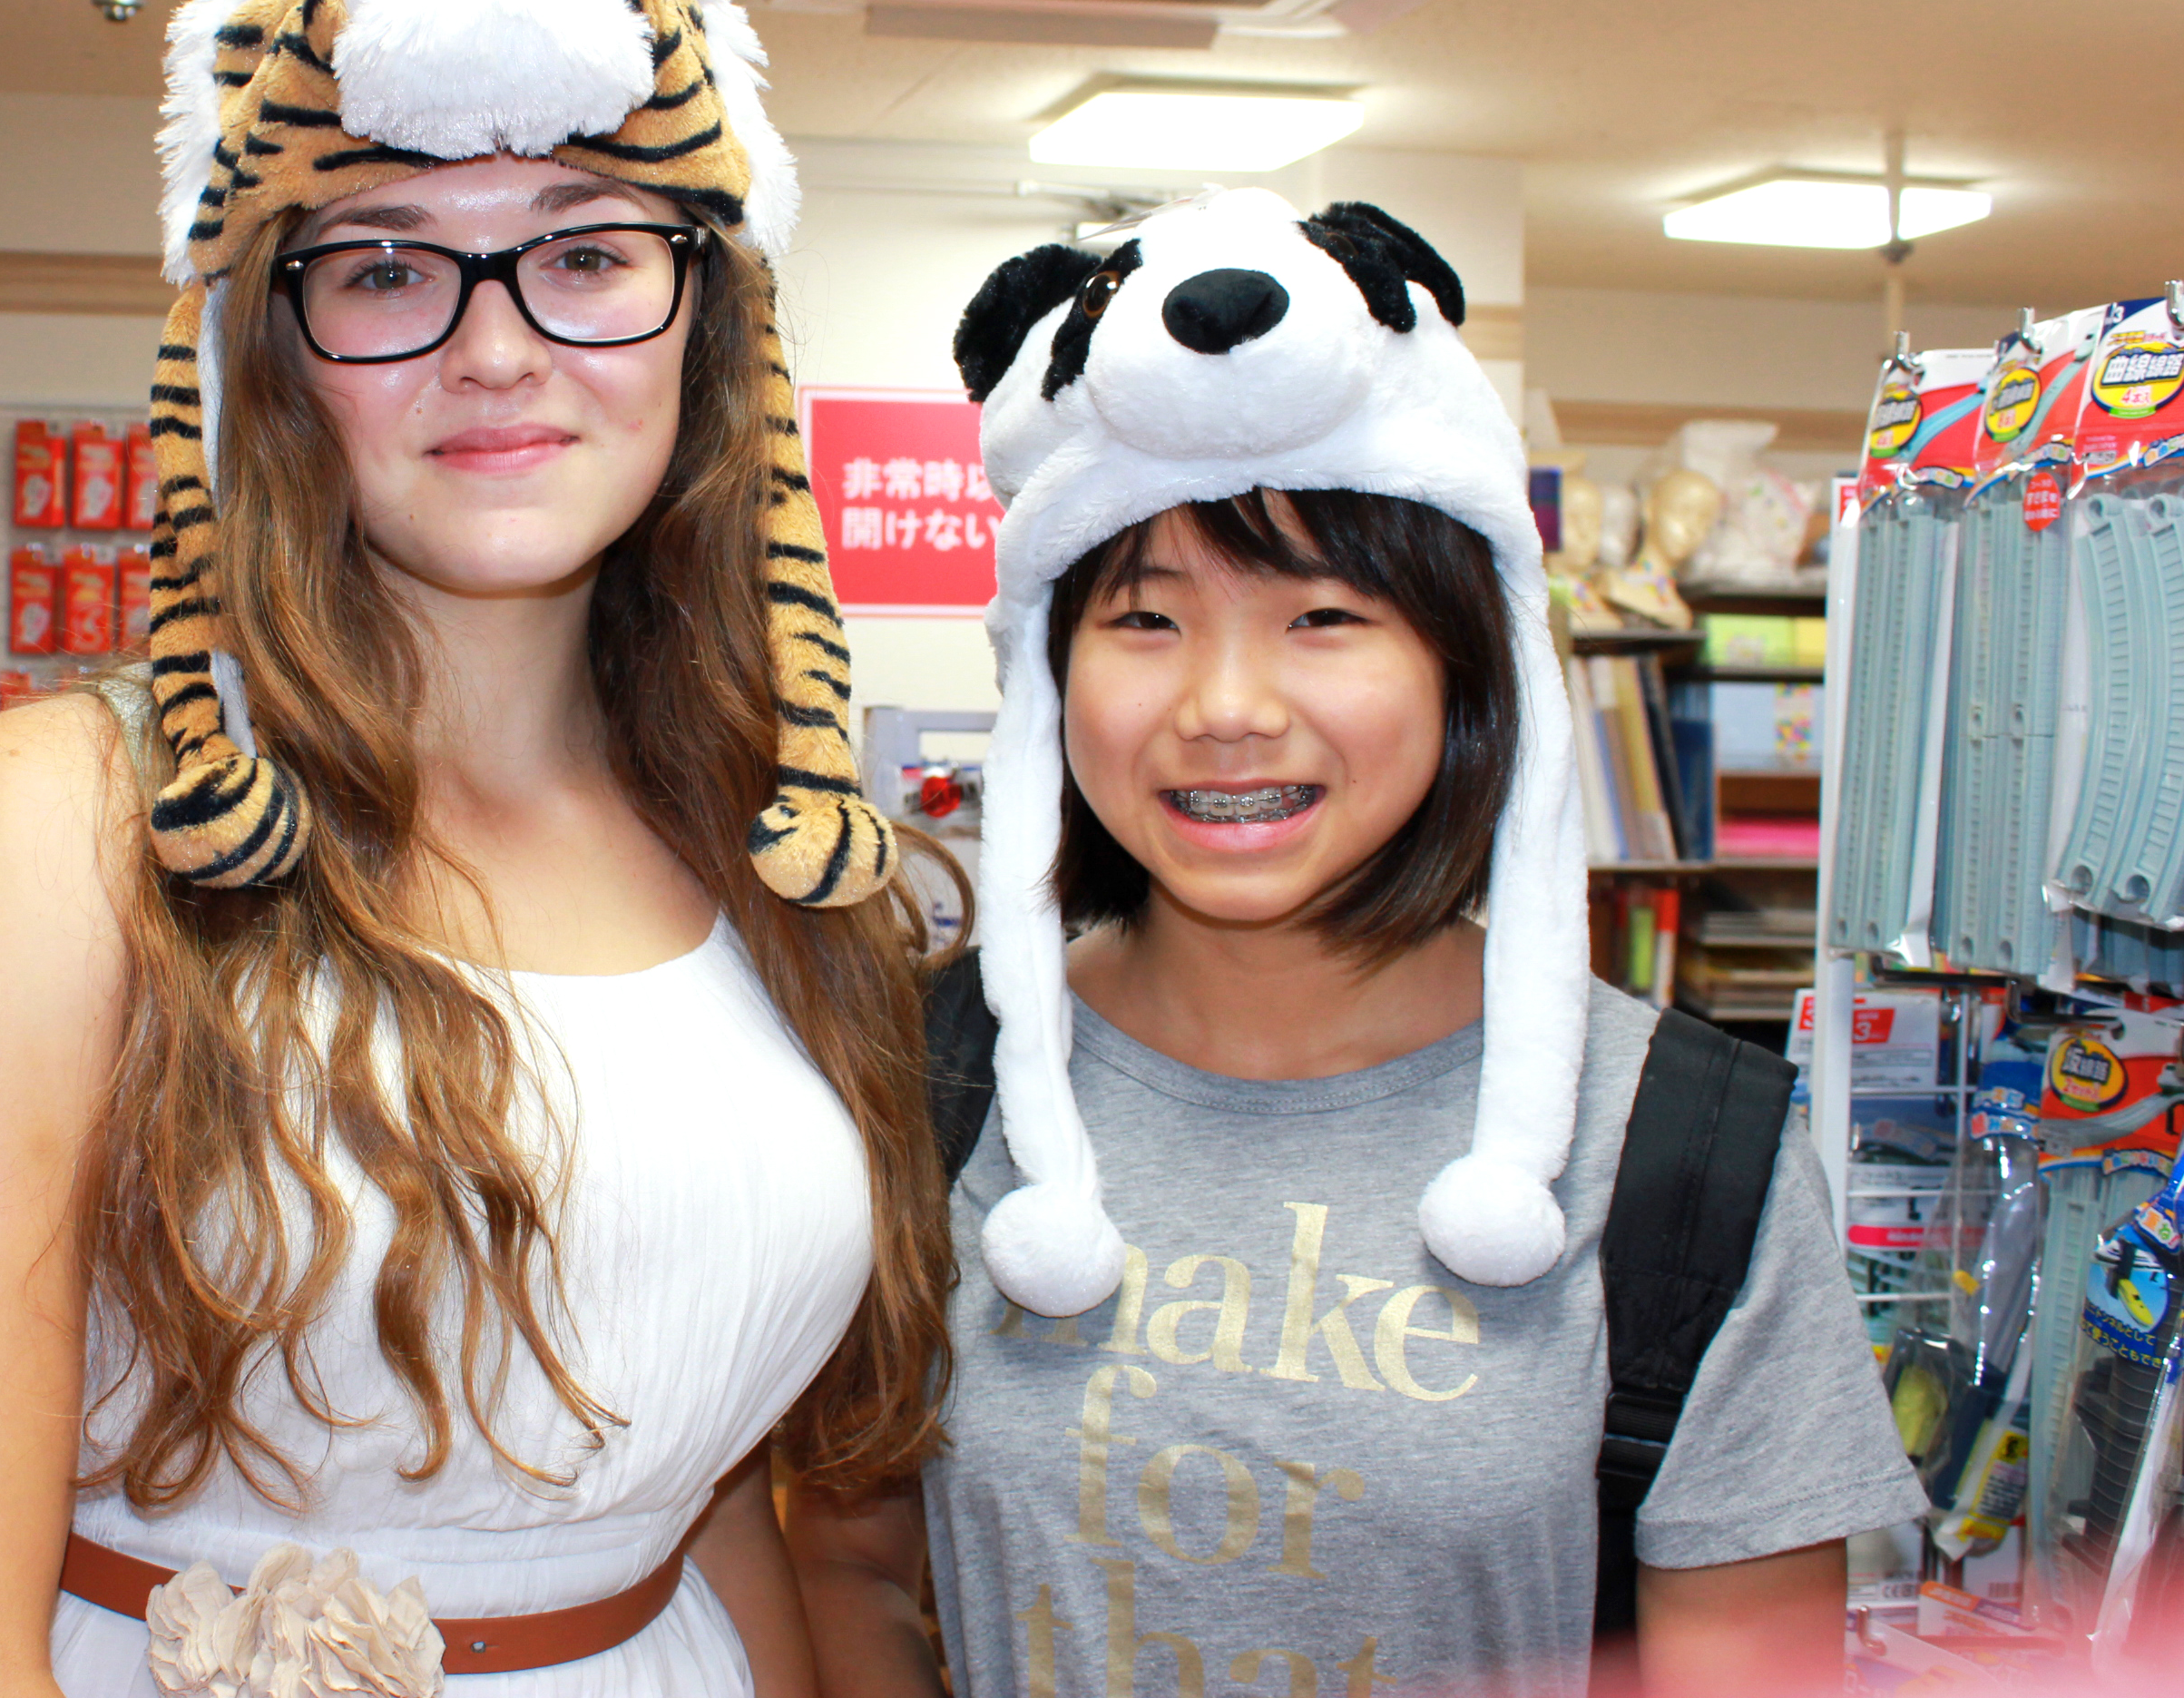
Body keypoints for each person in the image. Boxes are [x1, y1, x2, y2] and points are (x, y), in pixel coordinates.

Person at [0, 0, 950, 1698]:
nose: (497, 351)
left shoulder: (770, 845)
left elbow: (701, 1492)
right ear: (272, 346)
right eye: (389, 264)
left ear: (710, 315)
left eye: (586, 254)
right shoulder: (61, 830)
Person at [787, 190, 1918, 1698]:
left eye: (1323, 616)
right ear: (1051, 678)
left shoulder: (1681, 1148)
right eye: (1146, 619)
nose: (1227, 704)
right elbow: (847, 1562)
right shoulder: (925, 1083)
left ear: (1464, 670)